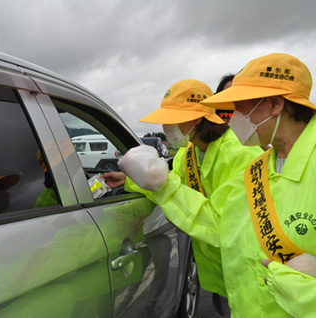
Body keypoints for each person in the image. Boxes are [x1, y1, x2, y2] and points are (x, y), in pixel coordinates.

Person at [118, 53, 316, 317]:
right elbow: (221, 224)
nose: (233, 116)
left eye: (241, 105)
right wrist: (156, 183)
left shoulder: (247, 158)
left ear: (275, 105)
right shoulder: (259, 168)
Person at [104, 79, 262, 304]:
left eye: (172, 120)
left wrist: (162, 183)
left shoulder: (243, 155)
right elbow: (163, 186)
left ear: (197, 118)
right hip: (220, 271)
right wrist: (129, 180)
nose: (166, 128)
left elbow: (225, 224)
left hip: (248, 269)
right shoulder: (188, 152)